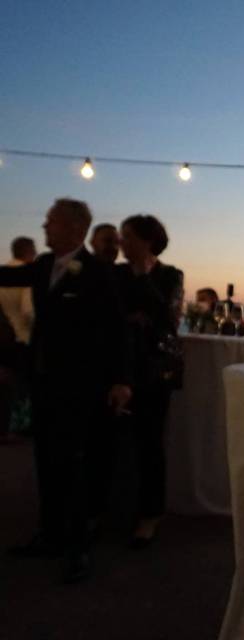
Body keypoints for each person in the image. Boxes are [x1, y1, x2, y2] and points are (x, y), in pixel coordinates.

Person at [0, 198, 131, 584]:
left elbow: (117, 331)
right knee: (46, 461)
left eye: (51, 222)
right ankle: (50, 535)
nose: (44, 227)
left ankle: (78, 548)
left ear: (76, 230)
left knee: (75, 466)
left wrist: (122, 380)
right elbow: (6, 278)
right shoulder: (42, 266)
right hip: (43, 382)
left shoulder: (98, 273)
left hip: (81, 386)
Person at [114, 214, 183, 547]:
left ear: (146, 240)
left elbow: (168, 320)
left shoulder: (170, 275)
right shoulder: (115, 274)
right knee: (113, 440)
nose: (120, 242)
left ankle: (150, 515)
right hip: (116, 365)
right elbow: (115, 315)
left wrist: (142, 279)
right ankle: (115, 507)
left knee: (150, 443)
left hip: (155, 371)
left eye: (126, 236)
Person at [0, 237, 36, 444]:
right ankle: (20, 427)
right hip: (24, 336)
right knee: (24, 387)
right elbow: (28, 311)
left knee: (10, 384)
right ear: (29, 251)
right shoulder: (27, 274)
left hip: (6, 337)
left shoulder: (6, 273)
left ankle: (7, 426)